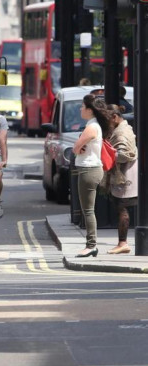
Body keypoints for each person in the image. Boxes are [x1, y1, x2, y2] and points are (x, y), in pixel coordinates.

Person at [72, 95, 114, 258]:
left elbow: (76, 148)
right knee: (87, 210)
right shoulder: (93, 125)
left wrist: (78, 147)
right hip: (89, 169)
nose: (80, 109)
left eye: (83, 106)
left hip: (89, 170)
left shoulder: (91, 127)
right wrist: (80, 147)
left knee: (88, 210)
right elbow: (80, 146)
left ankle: (91, 245)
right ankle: (91, 244)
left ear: (90, 110)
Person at [106, 104, 138, 254]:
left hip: (125, 175)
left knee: (122, 209)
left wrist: (108, 155)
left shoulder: (121, 133)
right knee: (122, 208)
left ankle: (123, 243)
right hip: (127, 173)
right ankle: (122, 243)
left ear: (115, 117)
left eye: (108, 119)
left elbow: (125, 154)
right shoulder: (124, 127)